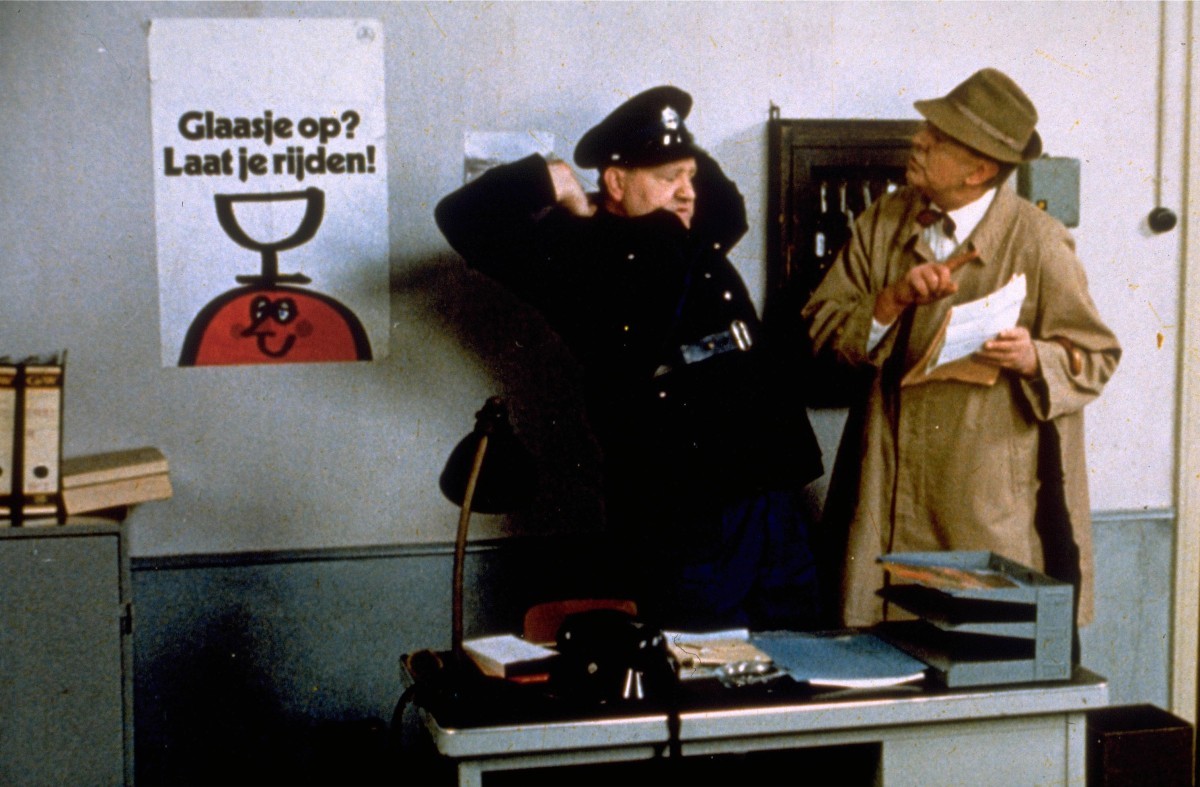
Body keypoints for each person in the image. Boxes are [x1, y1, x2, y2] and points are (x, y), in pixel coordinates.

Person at [435, 86, 825, 631]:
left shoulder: (697, 226)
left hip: (769, 475)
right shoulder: (574, 248)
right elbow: (460, 216)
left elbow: (722, 198)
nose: (687, 192)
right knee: (702, 645)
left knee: (798, 635)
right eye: (668, 178)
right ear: (615, 182)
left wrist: (673, 143)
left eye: (689, 175)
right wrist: (551, 177)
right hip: (686, 494)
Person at [803, 68, 1121, 629]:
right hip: (882, 496)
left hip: (983, 510)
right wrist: (890, 302)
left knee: (979, 649)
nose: (918, 141)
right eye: (927, 129)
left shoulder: (1039, 242)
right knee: (881, 650)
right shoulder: (883, 222)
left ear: (980, 171)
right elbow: (820, 329)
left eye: (940, 138)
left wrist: (1033, 357)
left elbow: (1096, 356)